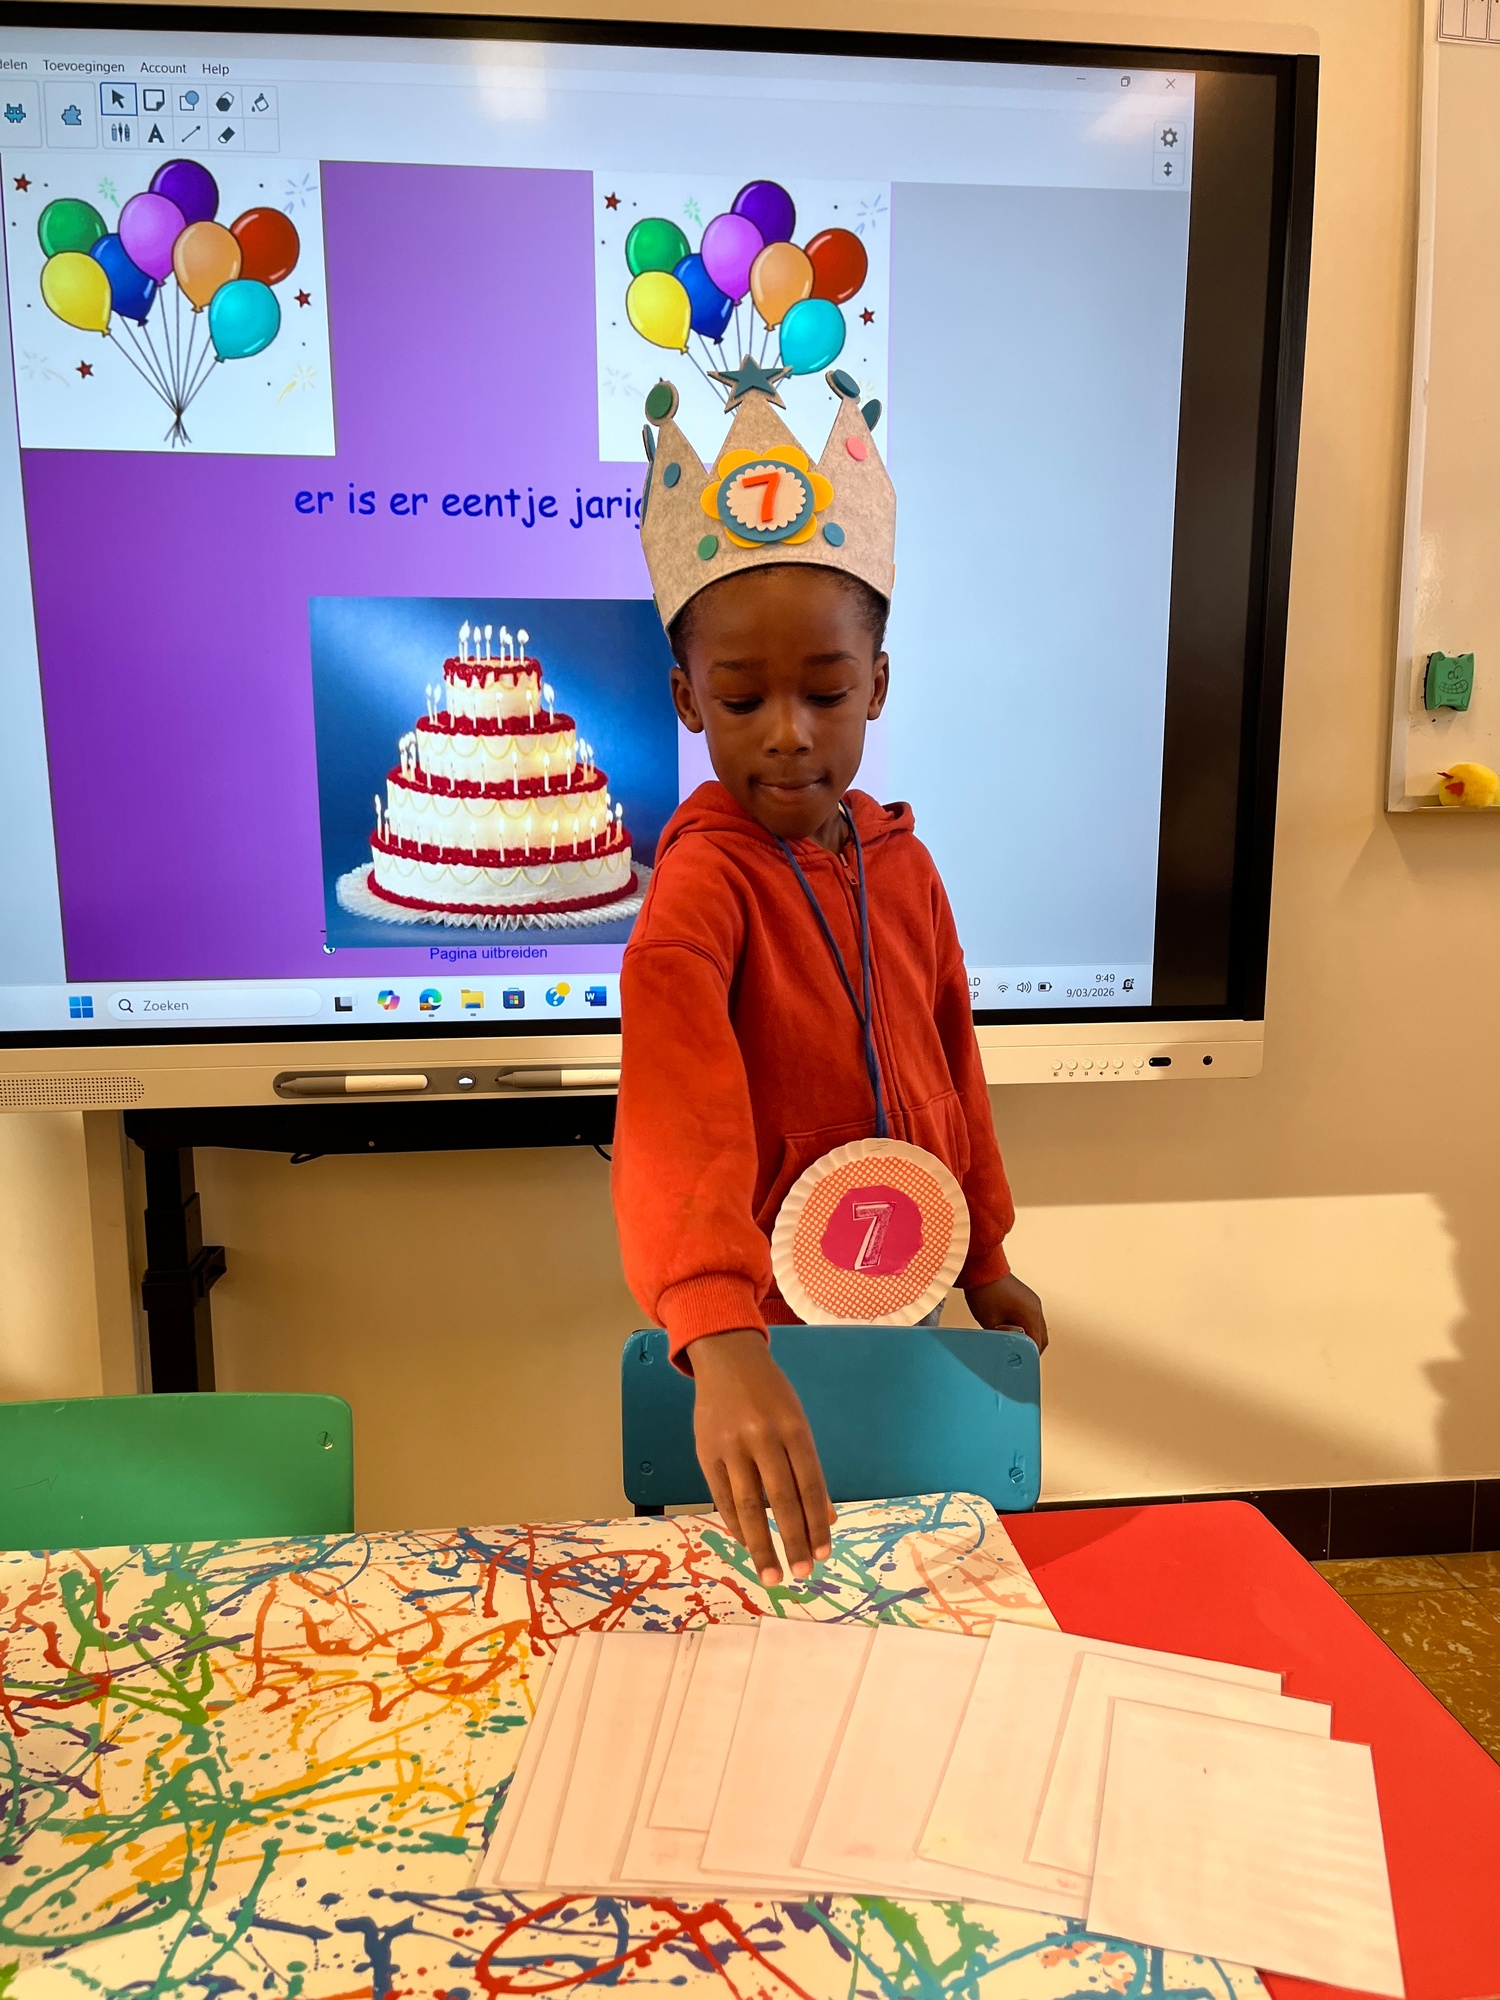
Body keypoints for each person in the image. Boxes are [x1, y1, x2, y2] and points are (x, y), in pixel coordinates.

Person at [612, 364, 1046, 1591]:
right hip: (762, 1336)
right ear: (689, 698)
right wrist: (719, 1332)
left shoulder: (905, 867)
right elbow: (675, 1114)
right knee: (782, 1585)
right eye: (743, 698)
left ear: (879, 685)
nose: (789, 730)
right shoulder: (702, 890)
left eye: (827, 691)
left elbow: (953, 1065)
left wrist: (985, 1252)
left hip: (904, 1296)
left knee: (900, 1584)